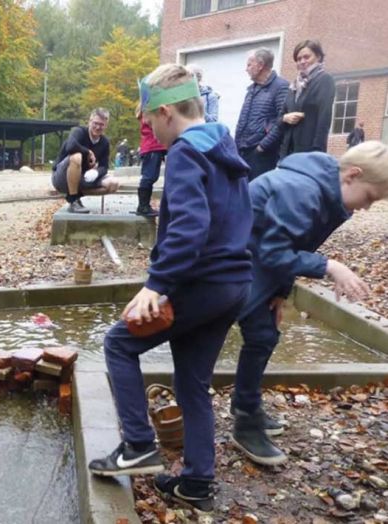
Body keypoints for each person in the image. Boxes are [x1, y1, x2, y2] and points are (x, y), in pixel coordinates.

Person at [88, 64, 252, 515]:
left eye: (148, 121)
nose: (149, 131)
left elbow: (189, 229)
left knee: (118, 344)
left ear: (165, 112)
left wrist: (157, 285)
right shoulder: (222, 144)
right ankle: (197, 480)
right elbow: (237, 219)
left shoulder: (185, 152)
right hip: (234, 284)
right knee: (191, 381)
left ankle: (138, 444)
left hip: (202, 281)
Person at [230, 141, 388, 466]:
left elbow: (293, 243)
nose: (368, 207)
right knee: (233, 335)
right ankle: (242, 420)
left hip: (256, 259)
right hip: (227, 261)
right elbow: (273, 252)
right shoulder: (301, 190)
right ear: (352, 175)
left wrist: (280, 292)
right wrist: (330, 266)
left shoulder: (327, 195)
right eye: (371, 198)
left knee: (264, 335)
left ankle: (245, 405)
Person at [235, 48, 291, 179]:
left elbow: (282, 120)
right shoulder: (252, 89)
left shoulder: (280, 86)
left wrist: (263, 146)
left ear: (260, 65)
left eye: (249, 64)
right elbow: (242, 119)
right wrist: (236, 145)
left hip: (262, 154)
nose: (246, 69)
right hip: (243, 150)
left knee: (257, 194)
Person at [51, 107, 120, 214]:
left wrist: (96, 172)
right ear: (90, 121)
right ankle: (73, 200)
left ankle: (76, 194)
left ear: (106, 125)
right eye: (95, 123)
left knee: (113, 184)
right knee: (77, 157)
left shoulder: (105, 142)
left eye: (101, 124)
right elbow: (70, 146)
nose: (98, 127)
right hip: (61, 177)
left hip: (82, 178)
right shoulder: (78, 131)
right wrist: (88, 152)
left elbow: (104, 166)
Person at [279, 39, 336, 157]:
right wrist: (285, 118)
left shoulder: (324, 80)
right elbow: (280, 117)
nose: (302, 61)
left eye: (306, 57)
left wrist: (317, 153)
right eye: (298, 59)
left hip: (308, 151)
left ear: (318, 57)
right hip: (287, 151)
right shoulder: (294, 85)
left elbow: (324, 120)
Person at [135, 106, 167, 217]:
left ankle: (144, 206)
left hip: (153, 146)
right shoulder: (149, 109)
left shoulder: (145, 109)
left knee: (151, 176)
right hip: (153, 146)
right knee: (149, 176)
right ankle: (143, 206)